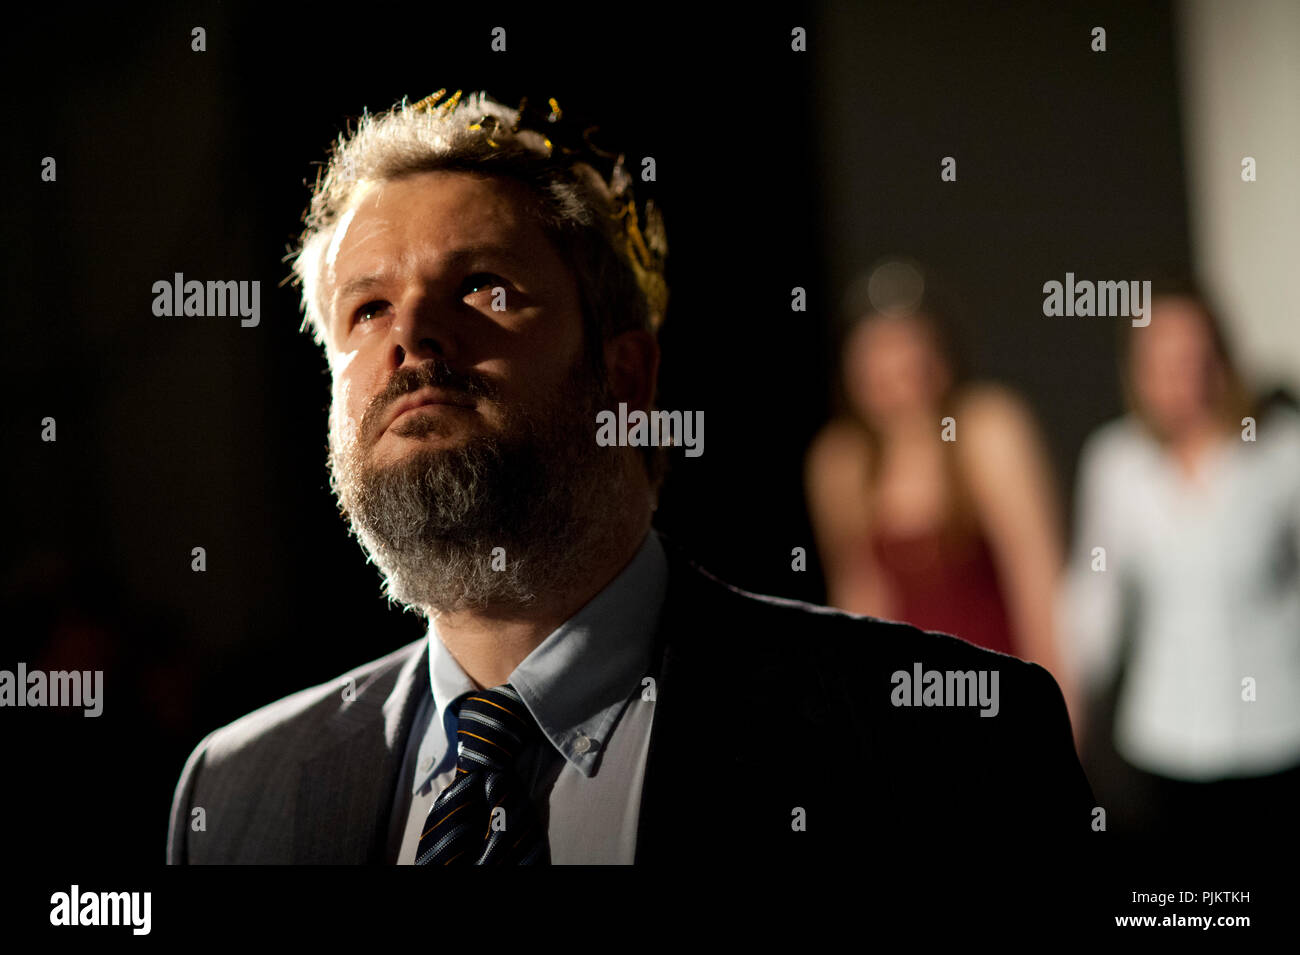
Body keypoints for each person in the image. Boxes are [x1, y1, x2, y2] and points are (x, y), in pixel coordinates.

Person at [166, 89, 1093, 866]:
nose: (411, 333)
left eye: (486, 287)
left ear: (627, 378)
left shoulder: (948, 750)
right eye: (365, 308)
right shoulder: (234, 795)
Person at [1059, 281, 1300, 847]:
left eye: (1195, 359)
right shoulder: (1114, 463)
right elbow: (1093, 604)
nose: (1181, 380)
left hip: (1280, 736)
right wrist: (1067, 723)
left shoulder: (1282, 453)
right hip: (1163, 741)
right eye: (1162, 363)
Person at [805, 266, 1071, 698]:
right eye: (876, 349)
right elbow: (859, 600)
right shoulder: (840, 462)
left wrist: (1057, 704)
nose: (895, 365)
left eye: (908, 343)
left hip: (997, 698)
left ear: (941, 353)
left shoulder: (988, 429)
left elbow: (1038, 580)